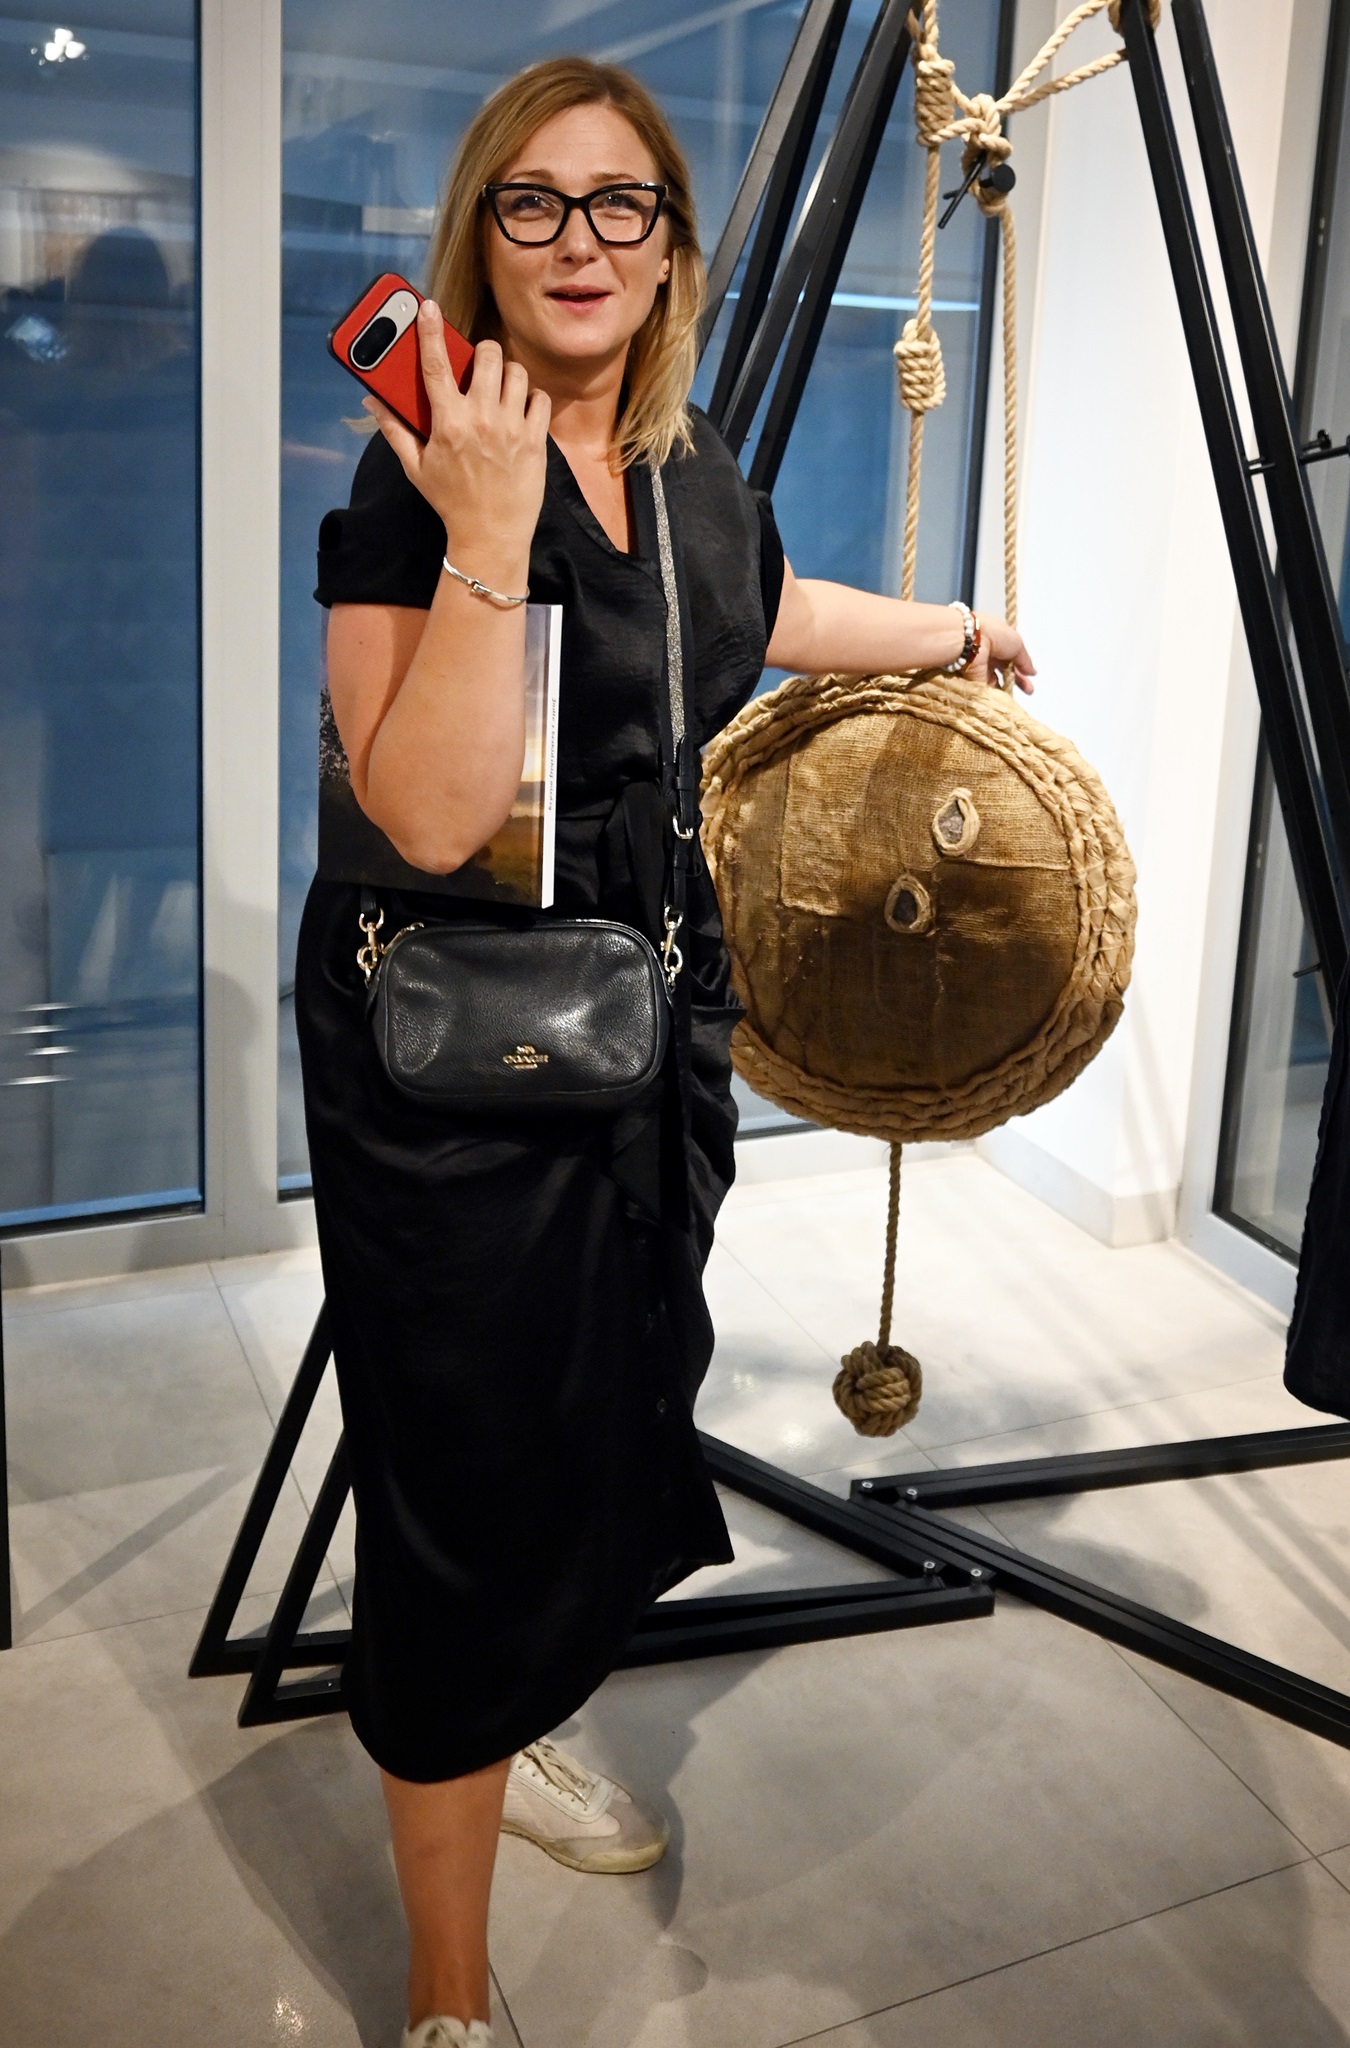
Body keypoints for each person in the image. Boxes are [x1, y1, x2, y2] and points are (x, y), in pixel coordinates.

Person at [301, 55, 1035, 2048]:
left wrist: (946, 627)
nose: (579, 240)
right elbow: (430, 813)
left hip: (632, 1032)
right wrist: (482, 526)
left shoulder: (690, 463)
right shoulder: (414, 474)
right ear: (479, 238)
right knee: (460, 1475)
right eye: (531, 202)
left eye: (619, 202)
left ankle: (514, 1719)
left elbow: (753, 605)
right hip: (446, 1059)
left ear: (669, 249)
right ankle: (446, 1987)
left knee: (587, 1425)